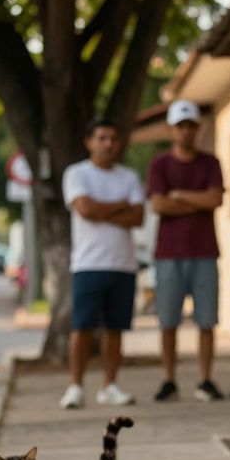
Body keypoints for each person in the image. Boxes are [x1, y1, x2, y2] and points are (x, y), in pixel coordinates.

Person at [59, 118, 145, 409]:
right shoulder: (77, 174)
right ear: (89, 141)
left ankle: (110, 385)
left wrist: (100, 210)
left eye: (113, 138)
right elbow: (84, 209)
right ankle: (75, 386)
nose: (108, 143)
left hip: (123, 264)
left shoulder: (129, 176)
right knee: (82, 328)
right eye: (102, 138)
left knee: (115, 329)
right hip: (88, 264)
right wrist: (121, 205)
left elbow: (138, 217)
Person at [147, 100, 226, 402]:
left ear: (198, 128)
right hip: (168, 253)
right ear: (172, 129)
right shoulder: (159, 164)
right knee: (168, 321)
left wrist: (179, 196)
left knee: (207, 320)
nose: (186, 131)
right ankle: (169, 379)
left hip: (205, 251)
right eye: (180, 126)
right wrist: (197, 199)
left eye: (191, 125)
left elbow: (216, 200)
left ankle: (205, 379)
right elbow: (158, 204)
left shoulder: (210, 163)